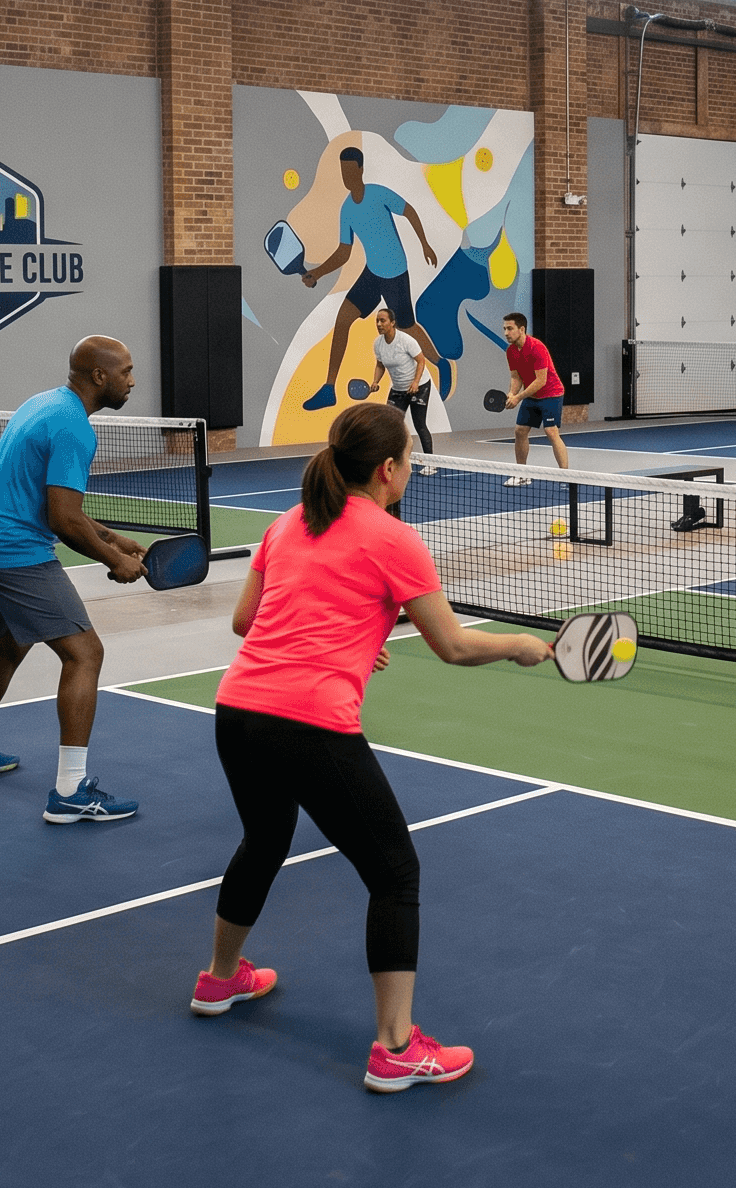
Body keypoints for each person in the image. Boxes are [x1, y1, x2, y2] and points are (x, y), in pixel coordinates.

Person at [189, 402, 554, 1093]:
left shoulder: (286, 523)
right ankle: (396, 1048)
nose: (409, 470)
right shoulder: (393, 538)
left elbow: (246, 621)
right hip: (308, 721)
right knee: (393, 875)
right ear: (387, 469)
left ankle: (219, 978)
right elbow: (452, 646)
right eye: (409, 460)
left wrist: (345, 634)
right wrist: (517, 645)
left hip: (237, 712)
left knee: (264, 841)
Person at [0, 336, 151, 823]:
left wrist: (112, 538)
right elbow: (63, 520)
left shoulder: (44, 403)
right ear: (99, 376)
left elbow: (52, 500)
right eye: (125, 371)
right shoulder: (75, 428)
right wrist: (113, 561)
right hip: (11, 549)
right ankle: (71, 791)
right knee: (85, 653)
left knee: (13, 642)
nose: (132, 381)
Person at [299, 147, 441, 412]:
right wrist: (317, 272)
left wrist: (424, 243)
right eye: (343, 172)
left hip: (395, 273)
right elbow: (344, 252)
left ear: (361, 170)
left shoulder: (378, 194)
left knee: (408, 327)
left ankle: (439, 363)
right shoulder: (346, 210)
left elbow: (409, 211)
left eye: (351, 171)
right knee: (343, 319)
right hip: (372, 273)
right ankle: (329, 389)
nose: (347, 177)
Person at [498, 311, 569, 485]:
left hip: (551, 393)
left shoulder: (537, 347)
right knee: (520, 431)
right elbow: (516, 377)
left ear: (521, 329)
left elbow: (541, 381)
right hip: (532, 395)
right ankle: (522, 474)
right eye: (504, 329)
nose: (506, 333)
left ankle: (566, 476)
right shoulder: (511, 351)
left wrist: (518, 398)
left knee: (551, 431)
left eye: (510, 328)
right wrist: (512, 393)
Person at [369, 304, 435, 478]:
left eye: (382, 321)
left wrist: (415, 382)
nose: (379, 324)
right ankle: (394, 462)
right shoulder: (378, 344)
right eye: (377, 321)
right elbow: (380, 365)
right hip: (398, 388)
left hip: (419, 386)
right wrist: (375, 381)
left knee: (420, 424)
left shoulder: (406, 340)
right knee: (390, 425)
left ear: (392, 323)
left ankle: (431, 463)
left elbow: (421, 361)